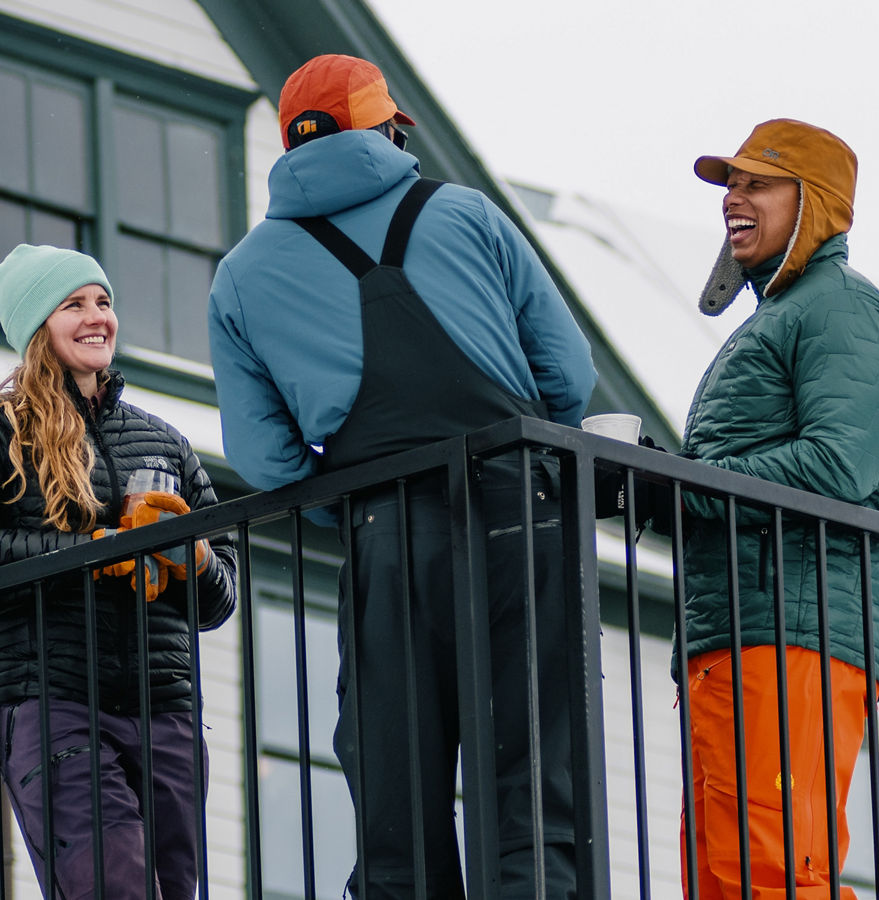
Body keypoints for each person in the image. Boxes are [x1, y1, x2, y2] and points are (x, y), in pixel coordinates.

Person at [206, 54, 598, 899]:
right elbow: (567, 376)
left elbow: (264, 458)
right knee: (531, 766)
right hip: (515, 512)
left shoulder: (242, 275)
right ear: (381, 128)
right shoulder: (466, 215)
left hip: (383, 532)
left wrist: (357, 504)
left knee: (396, 779)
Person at [0, 244, 239, 900]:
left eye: (104, 302)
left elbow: (220, 598)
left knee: (174, 892)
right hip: (49, 699)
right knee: (113, 888)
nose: (98, 317)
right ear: (38, 325)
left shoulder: (164, 441)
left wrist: (194, 557)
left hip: (165, 706)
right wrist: (90, 550)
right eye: (74, 305)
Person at [673, 118, 879, 900]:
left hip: (795, 626)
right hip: (737, 626)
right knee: (723, 877)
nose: (732, 200)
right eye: (729, 185)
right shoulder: (784, 317)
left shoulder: (840, 308)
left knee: (774, 869)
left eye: (756, 183)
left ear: (815, 206)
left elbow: (842, 465)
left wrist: (685, 484)